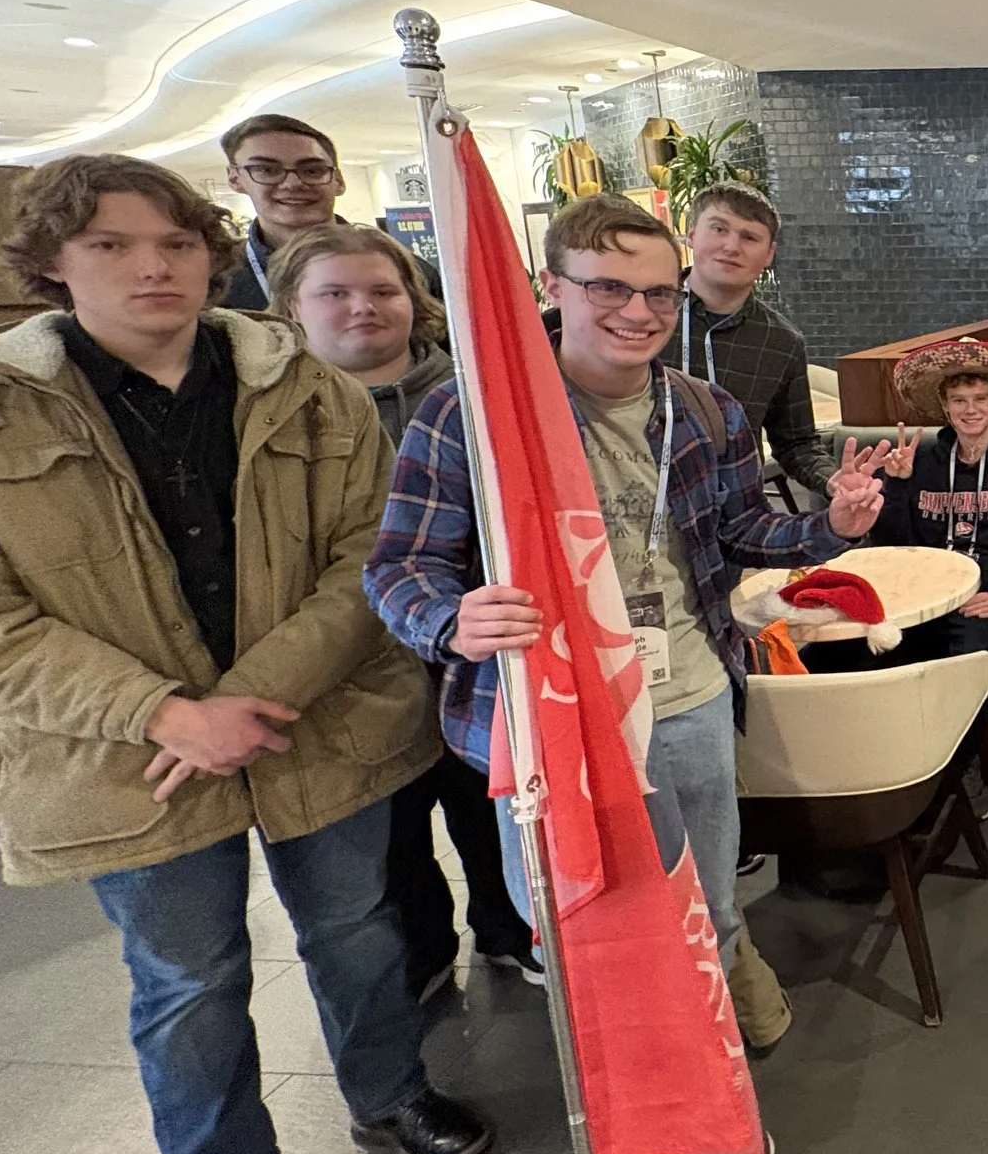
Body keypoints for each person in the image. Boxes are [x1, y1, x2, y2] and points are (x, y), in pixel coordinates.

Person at [0, 156, 492, 1154]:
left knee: (358, 930)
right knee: (188, 983)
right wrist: (163, 712)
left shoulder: (304, 386)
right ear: (54, 262)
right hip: (128, 759)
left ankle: (390, 1089)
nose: (152, 267)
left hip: (316, 721)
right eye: (112, 245)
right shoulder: (11, 407)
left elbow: (369, 554)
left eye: (175, 242)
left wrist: (253, 697)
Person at [365, 194, 889, 1060]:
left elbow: (743, 530)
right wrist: (450, 617)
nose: (639, 311)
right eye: (608, 286)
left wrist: (833, 526)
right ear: (553, 286)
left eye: (658, 292)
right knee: (576, 925)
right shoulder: (477, 414)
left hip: (688, 695)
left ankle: (711, 1079)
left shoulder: (707, 409)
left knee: (707, 906)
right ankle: (624, 1091)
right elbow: (398, 567)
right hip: (551, 714)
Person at [265, 223, 534, 998]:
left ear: (415, 299)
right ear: (292, 307)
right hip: (349, 655)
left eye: (383, 290)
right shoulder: (274, 414)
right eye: (336, 292)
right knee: (391, 820)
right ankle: (423, 952)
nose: (364, 307)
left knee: (484, 795)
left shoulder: (479, 396)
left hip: (474, 644)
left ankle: (507, 926)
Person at [869, 337, 988, 818]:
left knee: (979, 677)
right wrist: (896, 487)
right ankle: (896, 773)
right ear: (944, 407)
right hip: (924, 594)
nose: (970, 410)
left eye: (979, 399)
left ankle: (958, 766)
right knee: (875, 667)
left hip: (982, 596)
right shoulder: (920, 461)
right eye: (959, 400)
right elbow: (893, 546)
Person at [675, 182, 834, 502]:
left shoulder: (780, 341)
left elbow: (796, 444)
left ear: (769, 253)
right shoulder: (638, 315)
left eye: (749, 237)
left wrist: (836, 481)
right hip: (636, 510)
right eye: (719, 229)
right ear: (691, 235)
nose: (732, 246)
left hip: (735, 514)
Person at [217, 113, 439, 314]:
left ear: (338, 180)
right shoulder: (216, 279)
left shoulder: (409, 271)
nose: (293, 183)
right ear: (235, 179)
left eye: (312, 170)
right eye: (267, 170)